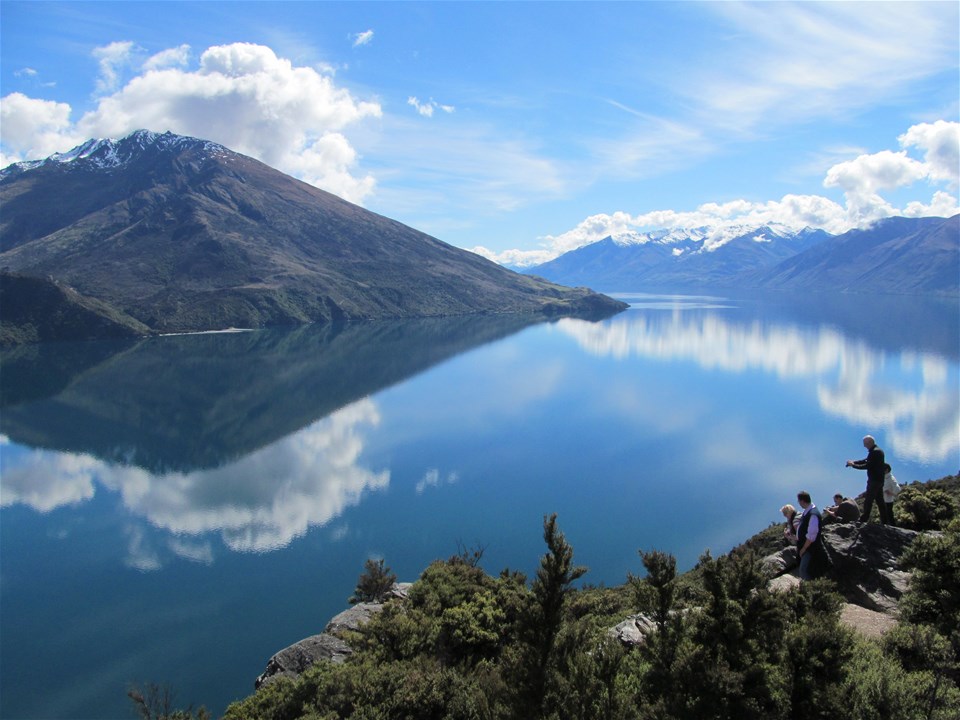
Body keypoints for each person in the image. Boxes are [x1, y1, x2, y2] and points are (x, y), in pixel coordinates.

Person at [846, 435, 891, 524]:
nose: (864, 446)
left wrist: (853, 465)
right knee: (880, 501)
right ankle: (885, 521)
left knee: (868, 500)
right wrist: (854, 462)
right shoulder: (877, 451)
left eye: (865, 443)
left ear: (869, 443)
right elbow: (866, 460)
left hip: (874, 481)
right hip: (879, 480)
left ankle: (864, 519)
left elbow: (867, 465)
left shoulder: (875, 452)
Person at [795, 491, 826, 580]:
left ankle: (811, 588)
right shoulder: (807, 511)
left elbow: (811, 536)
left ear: (802, 501)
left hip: (810, 548)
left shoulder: (813, 515)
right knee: (807, 569)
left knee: (803, 570)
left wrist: (803, 549)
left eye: (799, 501)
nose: (799, 503)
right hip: (807, 547)